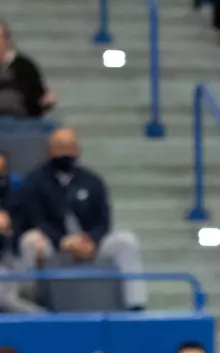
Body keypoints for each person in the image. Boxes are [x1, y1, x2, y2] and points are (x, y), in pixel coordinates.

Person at [15, 127, 147, 310]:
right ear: (48, 151)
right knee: (29, 241)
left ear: (78, 150)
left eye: (69, 147)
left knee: (126, 241)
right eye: (59, 147)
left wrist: (91, 240)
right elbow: (35, 219)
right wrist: (62, 241)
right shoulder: (33, 181)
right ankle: (26, 302)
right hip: (54, 245)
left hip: (88, 244)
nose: (65, 152)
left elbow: (103, 221)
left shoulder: (92, 181)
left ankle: (136, 305)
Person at [0, 21, 54, 123]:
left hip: (20, 124)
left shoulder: (25, 67)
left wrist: (43, 103)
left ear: (7, 40)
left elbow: (38, 102)